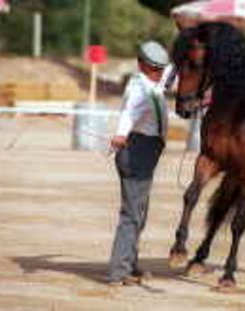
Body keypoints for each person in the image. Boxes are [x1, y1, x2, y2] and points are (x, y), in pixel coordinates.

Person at [108, 41, 169, 285]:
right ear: (141, 64)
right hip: (136, 150)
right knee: (132, 214)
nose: (159, 73)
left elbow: (172, 74)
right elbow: (129, 113)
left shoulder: (153, 83)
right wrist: (121, 134)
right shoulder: (138, 88)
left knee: (139, 213)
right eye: (154, 69)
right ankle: (118, 272)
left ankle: (128, 265)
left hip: (147, 151)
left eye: (161, 69)